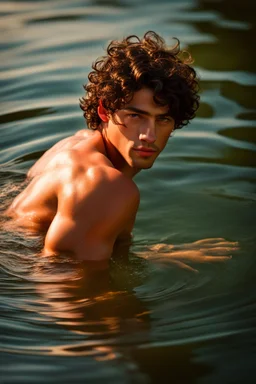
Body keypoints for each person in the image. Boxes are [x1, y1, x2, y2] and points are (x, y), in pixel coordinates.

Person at [5, 31, 202, 262]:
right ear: (104, 111)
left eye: (163, 119)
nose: (149, 135)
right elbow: (61, 281)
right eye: (135, 116)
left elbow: (73, 241)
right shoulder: (104, 184)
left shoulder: (74, 144)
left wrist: (158, 255)